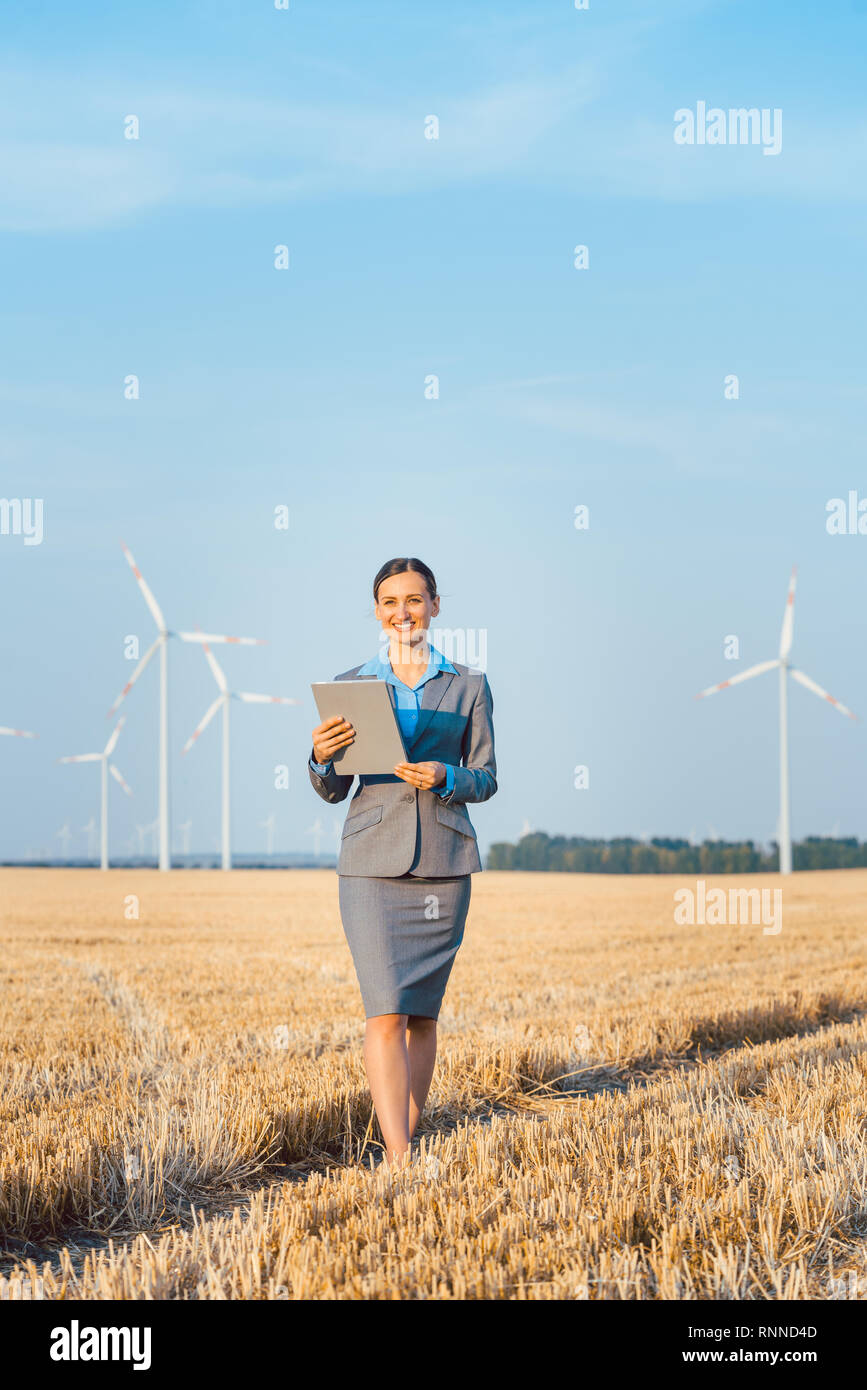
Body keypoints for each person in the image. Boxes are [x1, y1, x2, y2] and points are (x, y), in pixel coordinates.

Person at [308, 557, 497, 1170]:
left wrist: (449, 775)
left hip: (444, 858)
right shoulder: (351, 685)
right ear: (377, 611)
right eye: (390, 602)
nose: (402, 612)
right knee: (384, 1007)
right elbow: (333, 787)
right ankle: (398, 1156)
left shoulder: (468, 685)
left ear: (435, 606)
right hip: (370, 861)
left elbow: (488, 778)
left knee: (421, 1014)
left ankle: (406, 1144)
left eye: (414, 600)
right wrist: (319, 757)